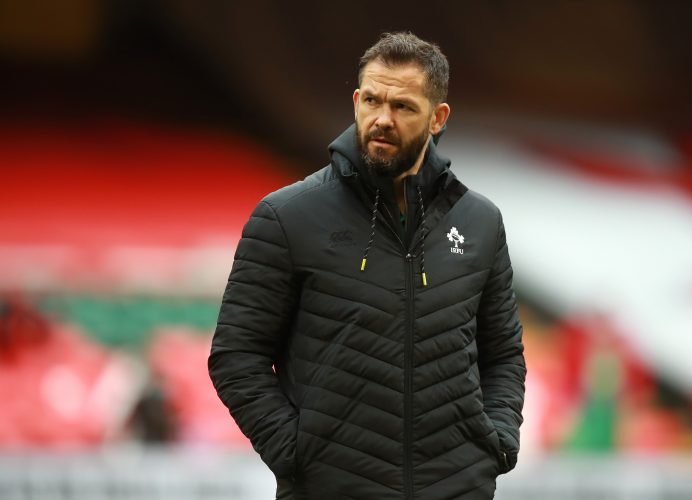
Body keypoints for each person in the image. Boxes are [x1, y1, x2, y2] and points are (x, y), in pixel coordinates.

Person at [209, 31, 526, 500]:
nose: (382, 119)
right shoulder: (286, 216)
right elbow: (236, 355)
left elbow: (503, 355)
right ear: (356, 101)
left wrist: (495, 445)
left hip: (458, 487)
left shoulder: (480, 222)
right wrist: (297, 456)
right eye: (372, 101)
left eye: (403, 107)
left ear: (438, 118)